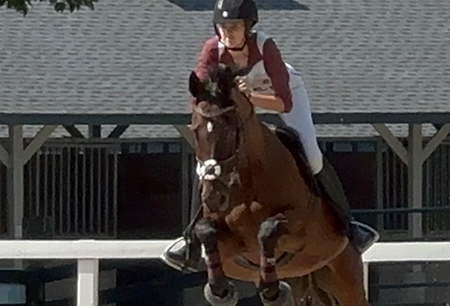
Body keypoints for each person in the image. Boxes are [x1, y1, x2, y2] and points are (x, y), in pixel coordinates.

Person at [161, 0, 379, 273]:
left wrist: (249, 97)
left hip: (281, 95)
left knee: (311, 156)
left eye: (235, 27)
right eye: (224, 27)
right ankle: (190, 239)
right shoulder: (212, 50)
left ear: (248, 27)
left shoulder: (266, 47)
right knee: (206, 166)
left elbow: (283, 103)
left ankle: (348, 225)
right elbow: (202, 93)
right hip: (238, 107)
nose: (228, 33)